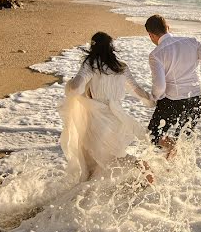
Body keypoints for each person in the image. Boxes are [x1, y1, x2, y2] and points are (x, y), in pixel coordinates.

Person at [60, 31, 155, 181]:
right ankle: (139, 171)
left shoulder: (91, 65)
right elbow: (138, 91)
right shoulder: (121, 67)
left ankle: (138, 165)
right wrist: (152, 101)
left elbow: (75, 88)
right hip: (117, 119)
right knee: (110, 157)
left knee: (93, 162)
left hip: (97, 120)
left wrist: (70, 84)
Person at [145, 14, 201, 152]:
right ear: (168, 28)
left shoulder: (156, 54)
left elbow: (160, 87)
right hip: (197, 99)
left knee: (153, 135)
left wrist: (153, 98)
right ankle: (176, 167)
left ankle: (173, 155)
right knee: (182, 137)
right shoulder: (192, 41)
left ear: (151, 35)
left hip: (173, 102)